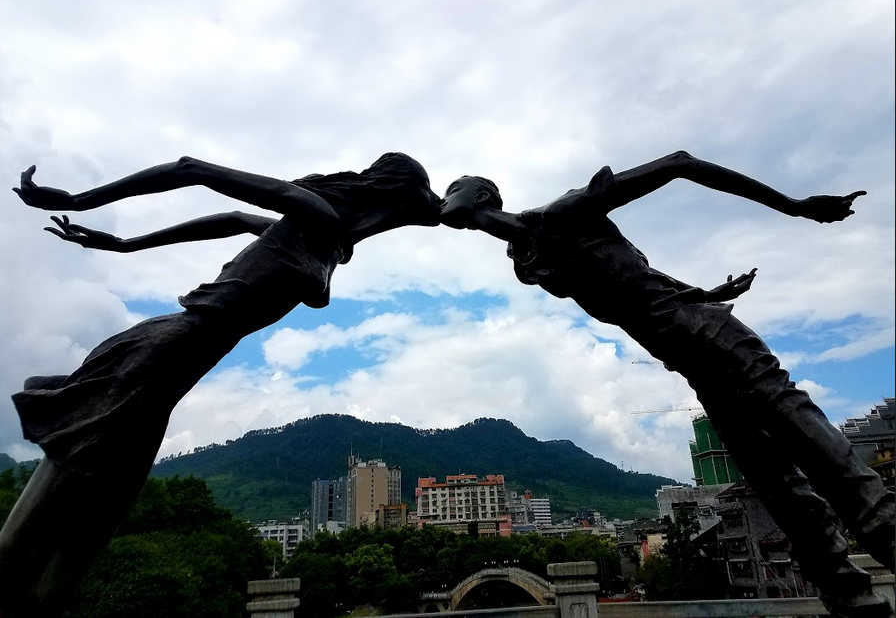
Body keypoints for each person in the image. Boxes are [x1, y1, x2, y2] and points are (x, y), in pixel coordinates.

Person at [440, 150, 895, 618]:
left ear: (484, 195)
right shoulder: (528, 256)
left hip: (714, 336)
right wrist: (710, 292)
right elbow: (637, 285)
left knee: (811, 440)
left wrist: (794, 205)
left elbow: (679, 163)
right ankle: (851, 599)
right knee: (775, 482)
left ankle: (888, 535)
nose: (445, 195)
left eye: (456, 188)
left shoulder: (564, 213)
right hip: (689, 359)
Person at [0, 152, 441, 616]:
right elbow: (192, 169)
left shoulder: (331, 244)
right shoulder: (317, 214)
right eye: (416, 201)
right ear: (391, 200)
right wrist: (82, 202)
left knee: (100, 519)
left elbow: (232, 220)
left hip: (179, 372)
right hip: (166, 351)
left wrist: (129, 244)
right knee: (59, 495)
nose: (426, 209)